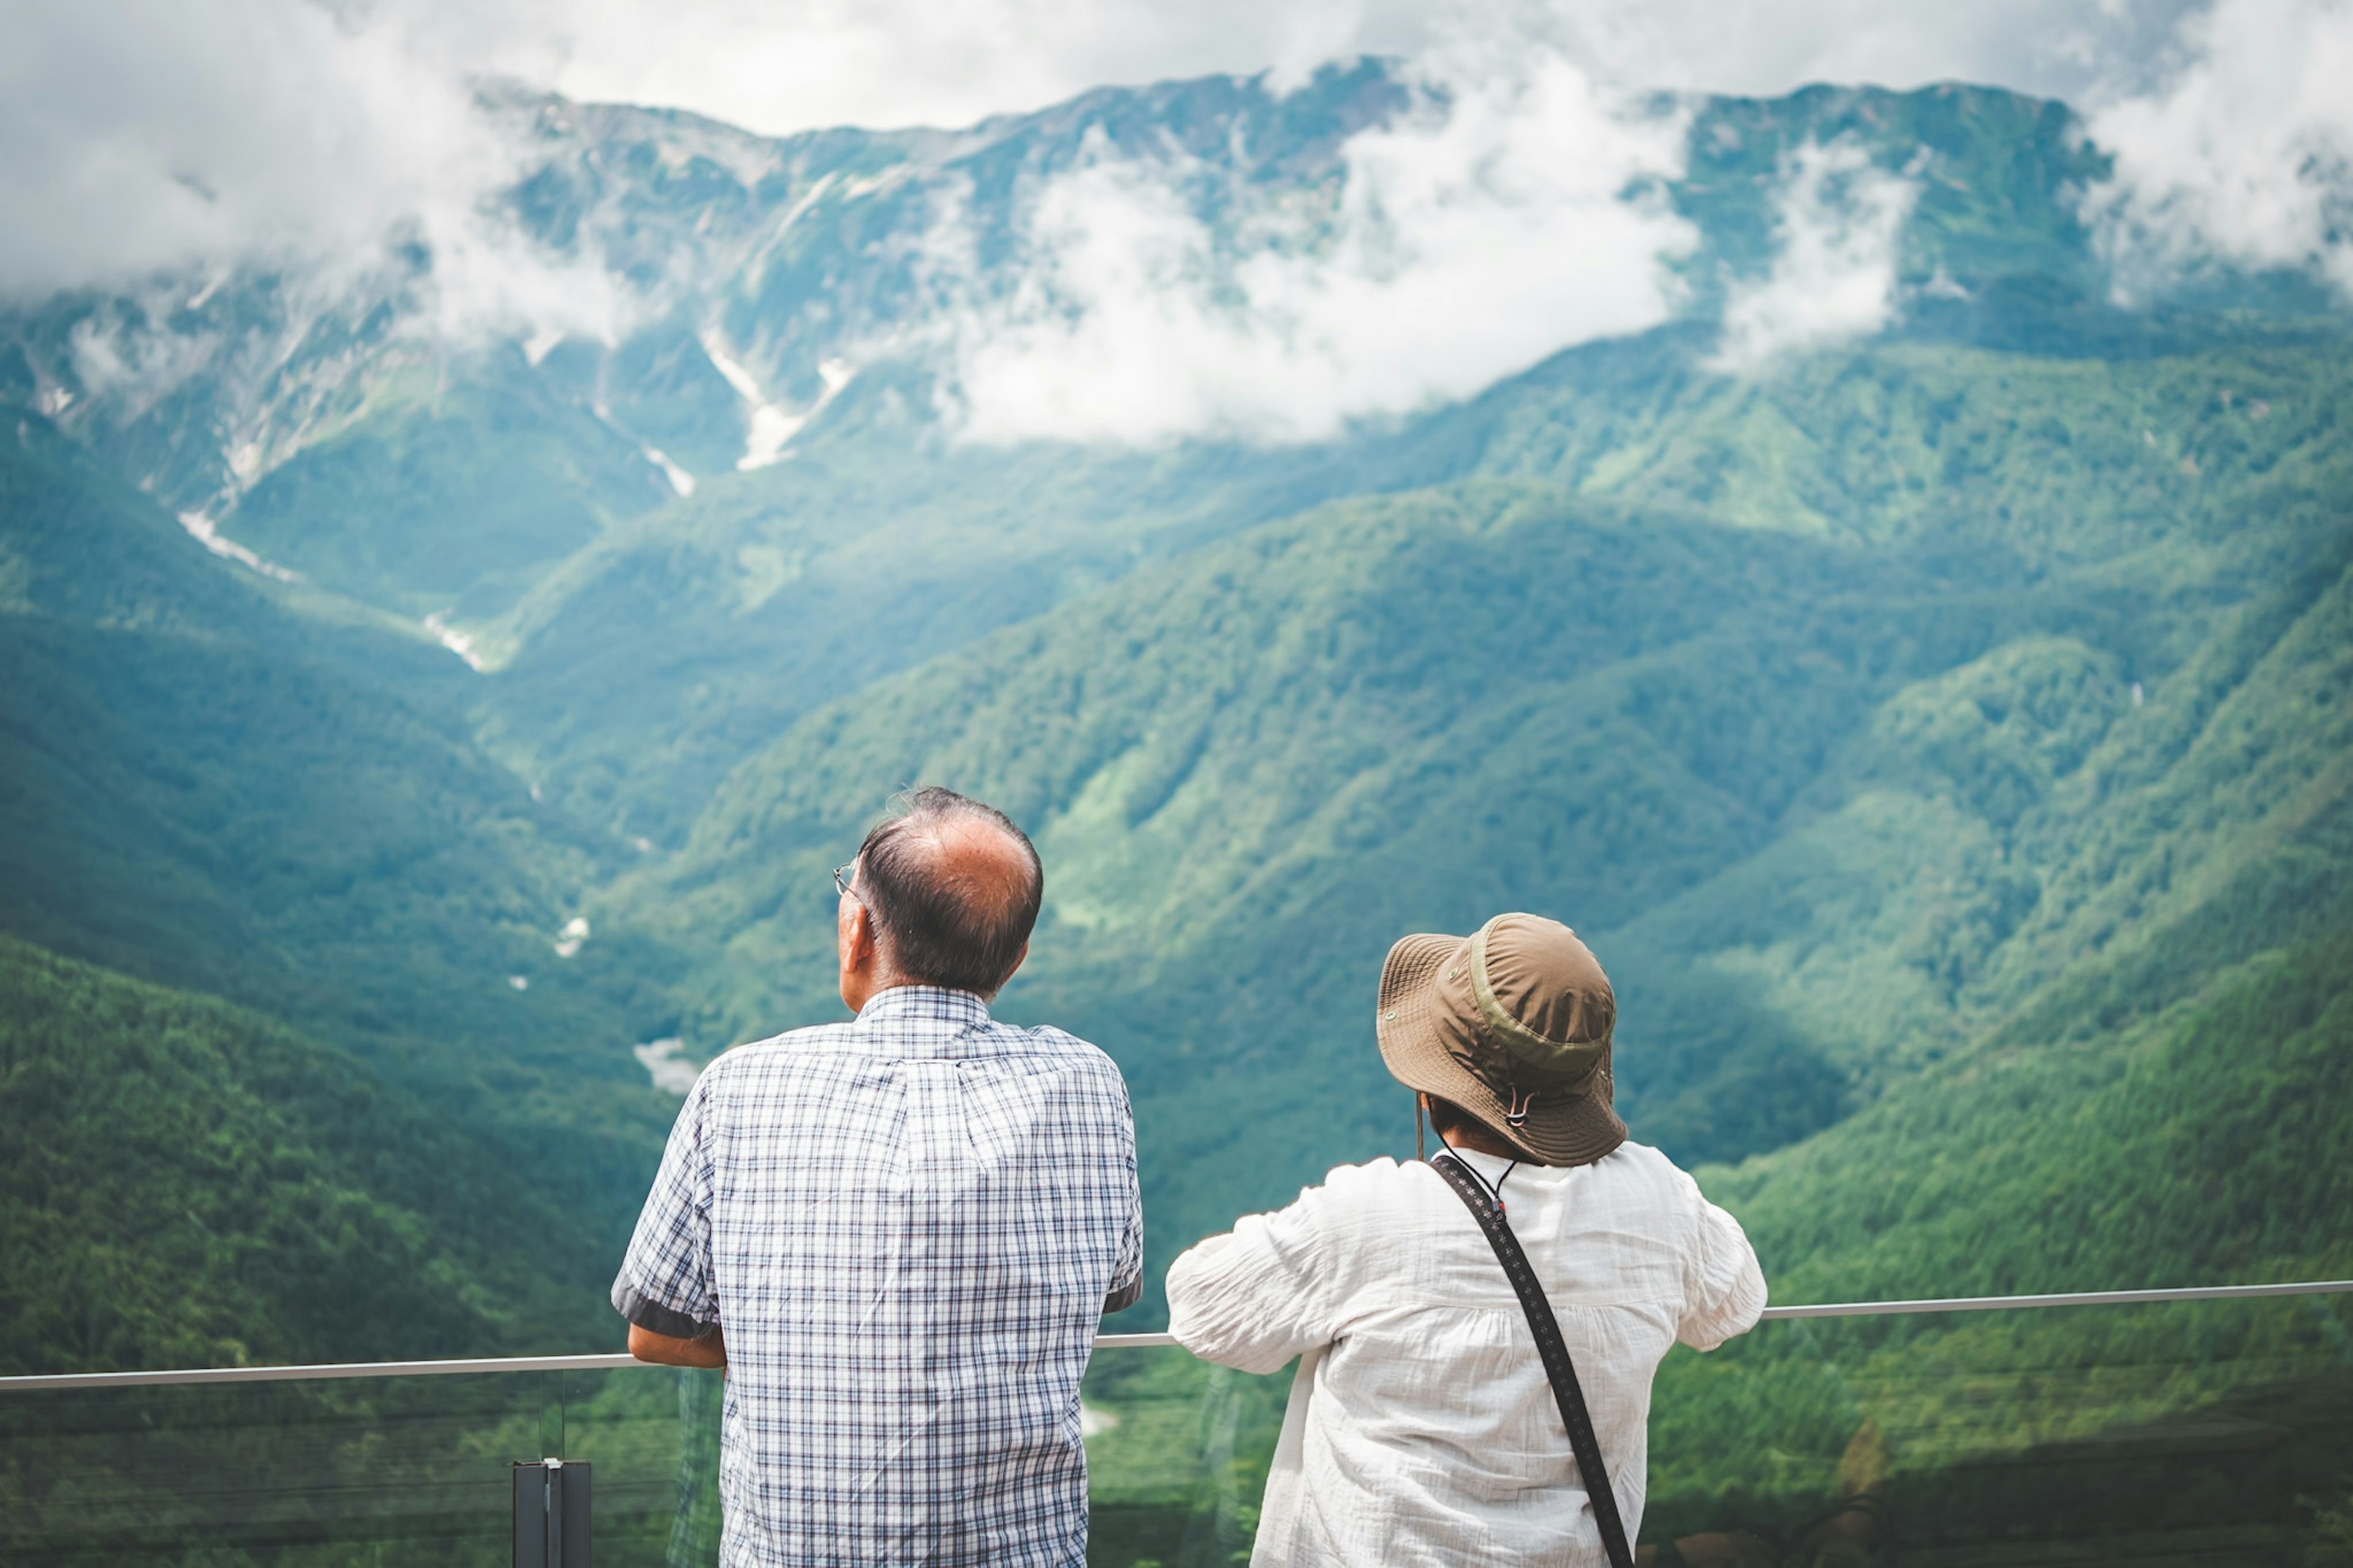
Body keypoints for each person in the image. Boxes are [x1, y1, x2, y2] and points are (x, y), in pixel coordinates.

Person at [613, 787, 1143, 1568]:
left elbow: (656, 1334)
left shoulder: (741, 1087)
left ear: (858, 930)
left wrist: (808, 1337)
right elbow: (1105, 1288)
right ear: (1015, 956)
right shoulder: (1088, 1085)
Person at [1165, 912, 1765, 1567]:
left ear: (1430, 1089)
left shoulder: (1367, 1215)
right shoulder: (1661, 1199)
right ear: (1589, 1075)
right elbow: (1731, 1308)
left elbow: (1202, 1313)